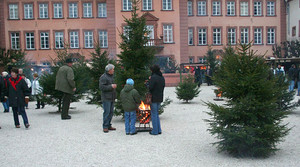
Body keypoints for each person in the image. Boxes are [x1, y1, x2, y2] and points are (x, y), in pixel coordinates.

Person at [99, 64, 117, 133]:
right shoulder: (103, 77)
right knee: (107, 112)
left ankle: (109, 125)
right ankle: (105, 126)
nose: (113, 70)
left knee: (111, 112)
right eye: (112, 69)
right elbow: (102, 87)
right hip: (106, 97)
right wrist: (111, 86)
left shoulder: (113, 76)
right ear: (109, 70)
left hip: (112, 97)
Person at [148, 64, 165, 135]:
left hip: (154, 98)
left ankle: (155, 131)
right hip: (160, 97)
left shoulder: (153, 77)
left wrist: (148, 83)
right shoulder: (161, 77)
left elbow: (150, 88)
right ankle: (158, 129)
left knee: (154, 115)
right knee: (156, 114)